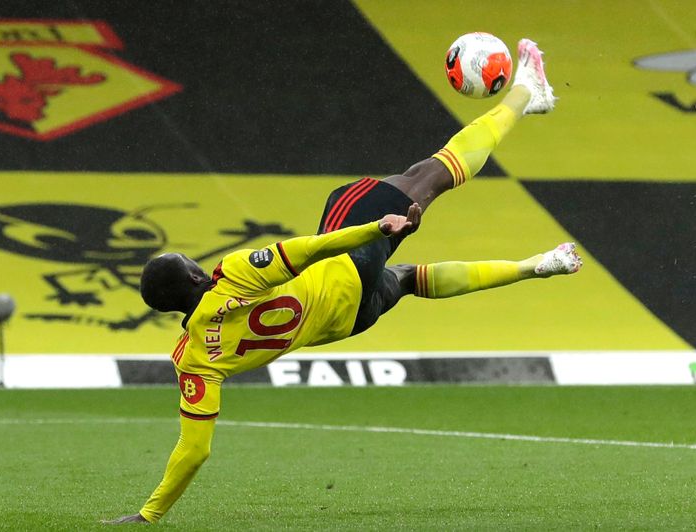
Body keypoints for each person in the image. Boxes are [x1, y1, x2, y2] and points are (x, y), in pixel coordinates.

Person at [106, 38, 581, 524]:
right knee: (426, 176)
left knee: (409, 279)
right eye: (191, 261)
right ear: (194, 273)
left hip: (348, 320)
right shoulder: (232, 276)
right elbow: (309, 249)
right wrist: (377, 228)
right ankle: (526, 92)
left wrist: (149, 514)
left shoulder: (193, 362)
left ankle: (535, 266)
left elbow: (194, 451)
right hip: (348, 265)